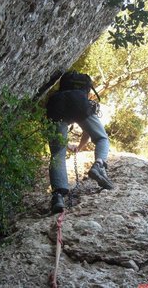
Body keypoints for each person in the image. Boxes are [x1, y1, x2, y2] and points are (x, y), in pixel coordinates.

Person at [46, 71, 114, 214]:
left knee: (57, 154)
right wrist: (81, 146)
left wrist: (73, 146)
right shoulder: (82, 97)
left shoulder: (59, 94)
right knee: (102, 138)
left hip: (56, 105)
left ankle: (58, 196)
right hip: (79, 103)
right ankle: (99, 165)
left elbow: (60, 141)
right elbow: (88, 130)